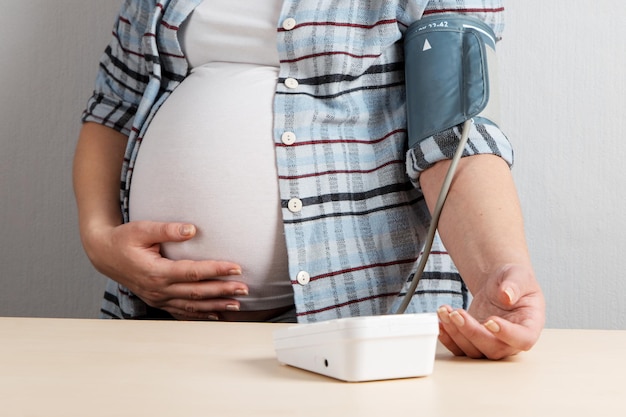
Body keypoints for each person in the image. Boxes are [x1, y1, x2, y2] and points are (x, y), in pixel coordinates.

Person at [73, 0, 545, 360]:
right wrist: (99, 240)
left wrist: (495, 273)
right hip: (161, 324)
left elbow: (454, 129)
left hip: (354, 323)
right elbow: (113, 105)